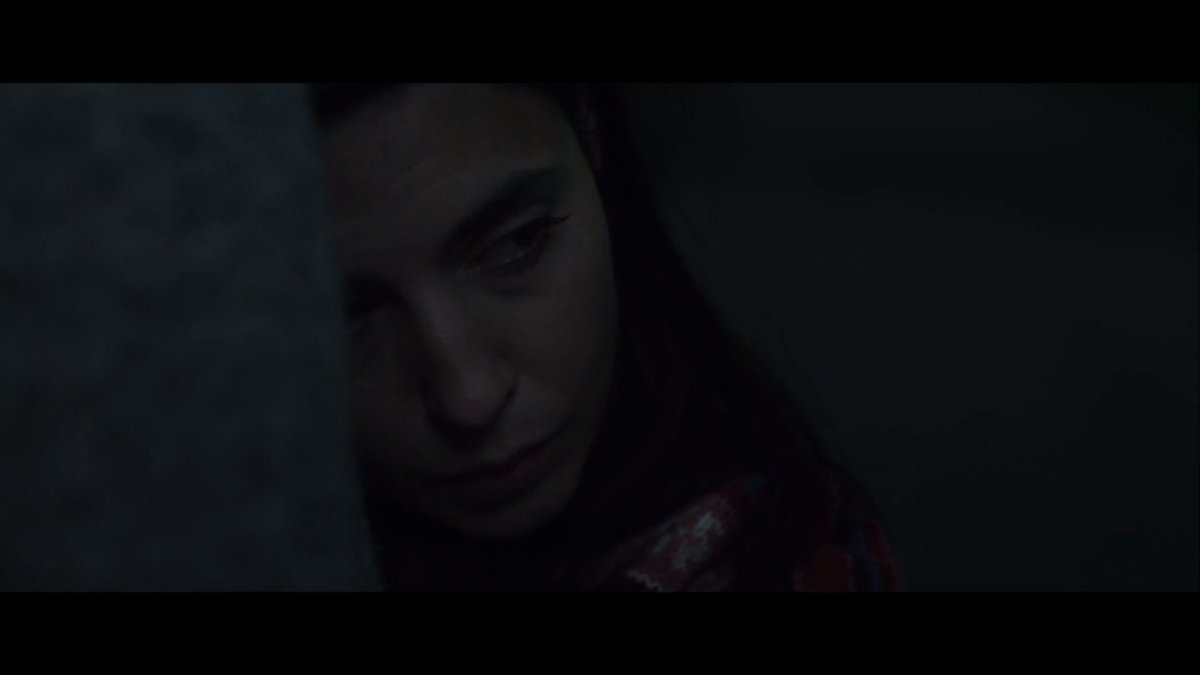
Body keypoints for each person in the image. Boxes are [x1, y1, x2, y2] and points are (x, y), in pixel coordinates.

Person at [310, 83, 899, 591]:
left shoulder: (786, 557)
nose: (471, 398)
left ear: (590, 131)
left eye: (517, 242)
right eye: (345, 317)